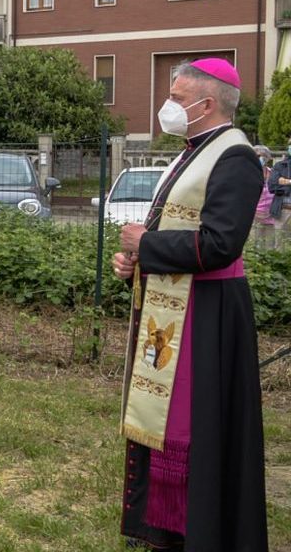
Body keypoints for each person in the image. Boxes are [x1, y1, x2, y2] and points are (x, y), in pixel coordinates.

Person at [112, 58, 266, 551]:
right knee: (168, 419)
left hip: (209, 312)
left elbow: (221, 244)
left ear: (208, 103)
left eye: (177, 99)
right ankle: (164, 523)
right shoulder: (191, 151)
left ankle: (198, 527)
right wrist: (136, 261)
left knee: (196, 425)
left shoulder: (236, 156)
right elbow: (170, 231)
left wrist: (146, 245)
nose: (169, 107)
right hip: (176, 304)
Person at [269, 136, 291, 224]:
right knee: (280, 237)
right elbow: (272, 186)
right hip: (282, 211)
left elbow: (279, 183)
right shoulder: (280, 165)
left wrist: (284, 181)